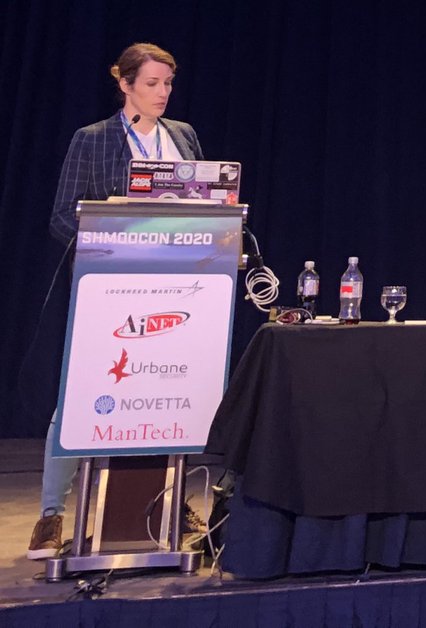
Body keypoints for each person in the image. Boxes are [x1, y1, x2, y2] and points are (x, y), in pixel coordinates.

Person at [30, 43, 205, 560]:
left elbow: (204, 205)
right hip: (109, 291)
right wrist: (112, 247)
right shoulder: (93, 139)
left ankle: (165, 501)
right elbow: (62, 216)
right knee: (78, 395)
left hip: (176, 291)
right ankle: (51, 514)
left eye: (167, 83)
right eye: (151, 83)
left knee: (166, 393)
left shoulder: (183, 136)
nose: (162, 93)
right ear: (125, 84)